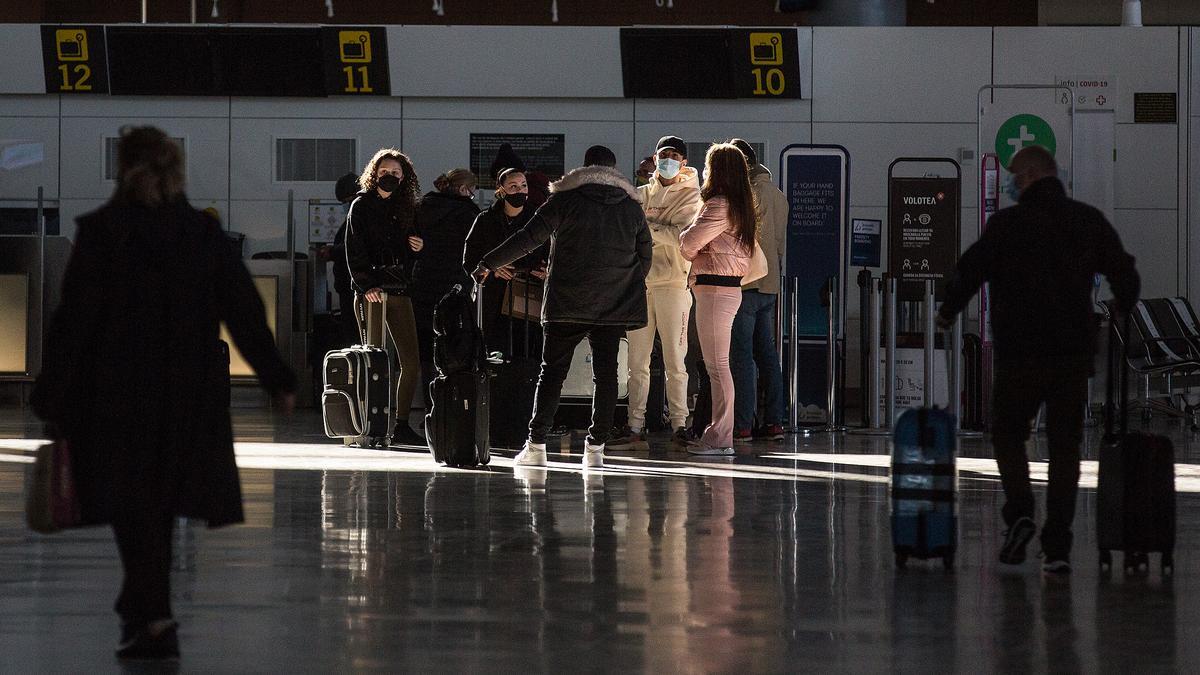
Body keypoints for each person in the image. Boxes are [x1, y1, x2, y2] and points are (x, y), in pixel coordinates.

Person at [30, 126, 297, 660]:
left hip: (114, 393)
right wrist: (277, 378)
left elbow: (73, 322)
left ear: (123, 168)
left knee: (135, 507)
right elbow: (243, 311)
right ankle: (147, 613)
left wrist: (51, 394)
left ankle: (149, 615)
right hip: (187, 395)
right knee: (158, 504)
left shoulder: (103, 232)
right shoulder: (201, 234)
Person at [936, 144, 1140, 574]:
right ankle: (1058, 548)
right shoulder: (1087, 220)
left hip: (1019, 354)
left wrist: (948, 311)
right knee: (1065, 448)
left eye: (1014, 176)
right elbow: (1124, 271)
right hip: (1071, 354)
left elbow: (969, 271)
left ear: (1028, 177)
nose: (1010, 183)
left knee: (1009, 435)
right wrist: (1123, 303)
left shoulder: (1007, 225)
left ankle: (1022, 510)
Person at [475, 145, 652, 469]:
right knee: (606, 376)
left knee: (552, 373)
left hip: (566, 302)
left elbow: (529, 238)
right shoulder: (631, 207)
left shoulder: (565, 200)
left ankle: (537, 445)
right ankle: (595, 450)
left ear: (584, 168)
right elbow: (645, 256)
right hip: (611, 306)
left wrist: (489, 262)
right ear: (614, 172)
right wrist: (620, 284)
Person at [609, 135, 702, 451]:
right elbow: (629, 230)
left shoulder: (692, 197)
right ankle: (634, 425)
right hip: (641, 285)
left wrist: (648, 227)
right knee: (637, 362)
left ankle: (679, 424)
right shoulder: (642, 193)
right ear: (655, 157)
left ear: (684, 161)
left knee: (677, 361)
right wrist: (660, 228)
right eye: (664, 154)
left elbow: (681, 236)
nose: (668, 160)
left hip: (674, 286)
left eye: (675, 155)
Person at [679, 143, 758, 456]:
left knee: (717, 367)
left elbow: (688, 242)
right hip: (727, 288)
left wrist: (691, 244)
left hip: (713, 288)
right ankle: (719, 433)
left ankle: (720, 436)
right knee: (719, 365)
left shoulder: (719, 205)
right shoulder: (741, 206)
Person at [344, 148, 426, 447]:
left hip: (399, 288)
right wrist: (366, 285)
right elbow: (354, 248)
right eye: (384, 172)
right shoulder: (361, 205)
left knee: (410, 361)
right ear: (373, 173)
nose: (389, 177)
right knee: (374, 359)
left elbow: (412, 253)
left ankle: (400, 422)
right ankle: (370, 423)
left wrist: (417, 248)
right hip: (372, 291)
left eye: (395, 173)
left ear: (404, 178)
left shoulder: (408, 208)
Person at [728, 139, 787, 443]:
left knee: (741, 357)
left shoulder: (745, 195)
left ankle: (743, 425)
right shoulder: (779, 196)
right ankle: (775, 422)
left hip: (746, 285)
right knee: (767, 355)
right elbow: (779, 245)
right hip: (770, 286)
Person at [411, 168, 480, 405]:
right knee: (454, 345)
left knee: (427, 348)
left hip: (422, 286)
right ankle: (452, 406)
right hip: (454, 289)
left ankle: (431, 407)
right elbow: (475, 252)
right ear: (464, 189)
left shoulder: (423, 207)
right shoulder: (469, 213)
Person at [463, 167, 546, 355]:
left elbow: (549, 253)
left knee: (526, 351)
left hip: (528, 296)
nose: (520, 190)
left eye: (523, 185)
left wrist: (545, 270)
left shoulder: (538, 219)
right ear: (501, 190)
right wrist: (492, 269)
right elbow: (469, 259)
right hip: (493, 297)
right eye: (513, 186)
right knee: (493, 350)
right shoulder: (485, 220)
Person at [324, 172, 364, 346]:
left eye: (346, 201)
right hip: (349, 285)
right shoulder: (356, 216)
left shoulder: (361, 216)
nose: (345, 206)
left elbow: (357, 246)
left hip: (353, 285)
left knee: (355, 333)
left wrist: (332, 252)